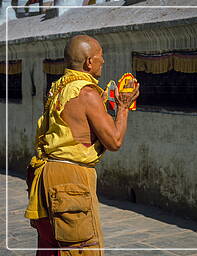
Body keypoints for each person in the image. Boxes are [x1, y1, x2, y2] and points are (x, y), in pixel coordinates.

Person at [25, 35, 139, 256]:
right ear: (89, 62)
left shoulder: (58, 87)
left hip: (46, 175)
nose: (103, 62)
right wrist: (123, 107)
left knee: (51, 247)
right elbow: (114, 141)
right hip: (70, 180)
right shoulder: (87, 93)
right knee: (81, 248)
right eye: (100, 57)